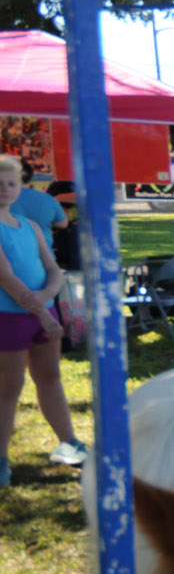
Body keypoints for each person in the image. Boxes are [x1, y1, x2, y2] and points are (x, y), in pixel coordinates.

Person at [0, 155, 86, 485]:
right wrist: (40, 309)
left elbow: (53, 269)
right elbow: (6, 277)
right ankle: (2, 459)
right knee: (9, 387)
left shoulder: (31, 227)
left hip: (43, 314)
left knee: (50, 377)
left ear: (21, 186)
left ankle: (68, 442)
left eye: (12, 183)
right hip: (10, 318)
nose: (6, 190)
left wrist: (48, 297)